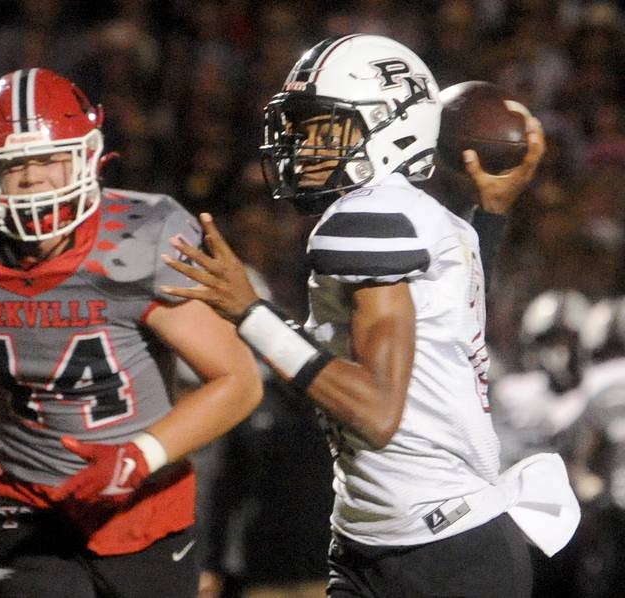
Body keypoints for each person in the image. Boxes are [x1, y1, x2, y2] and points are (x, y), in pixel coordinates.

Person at [161, 34, 580, 597]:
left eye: (323, 129)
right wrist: (493, 216)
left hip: (438, 554)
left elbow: (377, 411)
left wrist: (250, 313)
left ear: (390, 123)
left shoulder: (371, 216)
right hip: (385, 540)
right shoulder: (424, 216)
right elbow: (449, 314)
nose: (304, 148)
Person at [0, 68, 262, 597]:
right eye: (13, 165)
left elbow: (237, 381)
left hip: (145, 515)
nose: (33, 180)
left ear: (88, 156)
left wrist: (139, 455)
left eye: (49, 159)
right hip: (29, 512)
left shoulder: (137, 244)